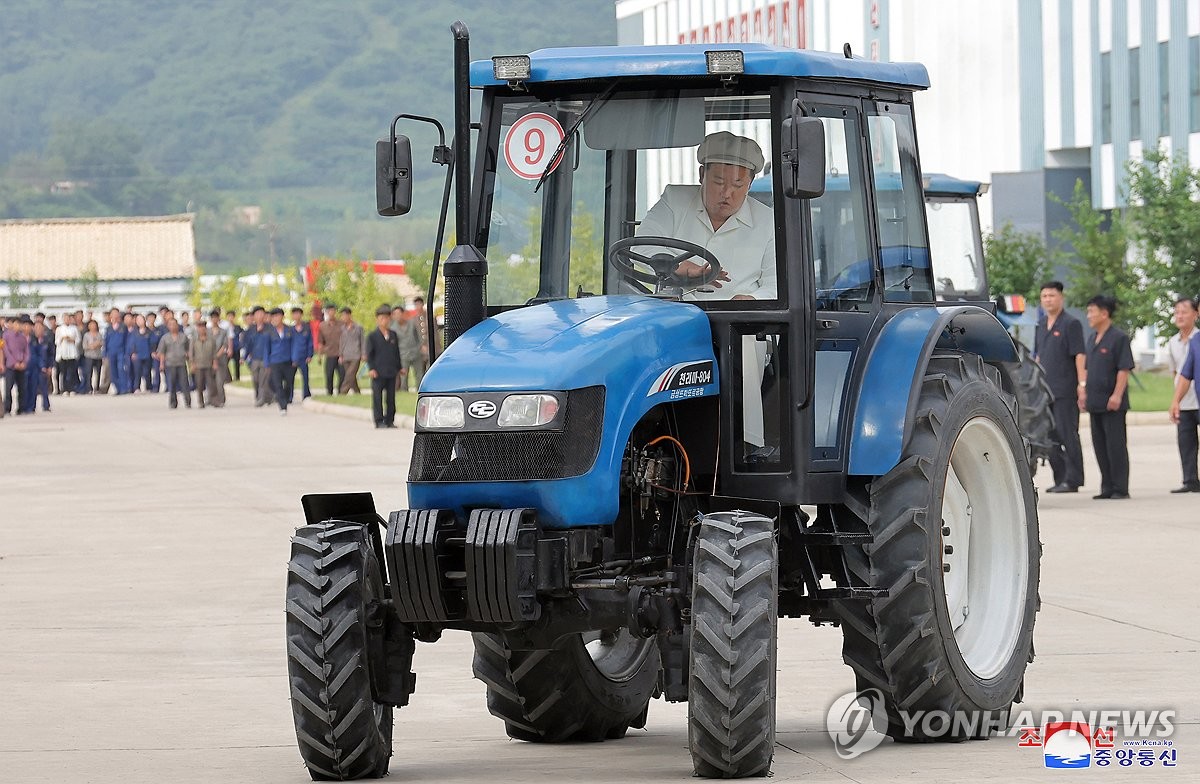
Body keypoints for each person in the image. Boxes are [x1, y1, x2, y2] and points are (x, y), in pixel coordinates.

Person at [636, 131, 774, 450]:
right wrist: (682, 270)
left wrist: (749, 301)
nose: (726, 193)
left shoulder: (768, 222)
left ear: (750, 184)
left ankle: (743, 446)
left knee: (744, 345)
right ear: (701, 175)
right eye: (718, 181)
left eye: (738, 185)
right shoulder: (675, 200)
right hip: (676, 318)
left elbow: (777, 282)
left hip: (736, 328)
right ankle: (651, 441)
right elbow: (645, 248)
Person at [1034, 281, 1087, 493]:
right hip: (1045, 391)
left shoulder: (1071, 324)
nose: (1048, 299)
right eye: (1044, 296)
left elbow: (1079, 355)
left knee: (1068, 434)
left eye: (1052, 296)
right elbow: (1037, 356)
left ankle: (1074, 479)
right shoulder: (1041, 324)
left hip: (1065, 389)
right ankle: (1060, 477)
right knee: (1049, 437)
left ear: (1061, 298)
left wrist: (1082, 385)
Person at [1084, 295, 1134, 500]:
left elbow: (1124, 369)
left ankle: (1120, 488)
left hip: (1113, 403)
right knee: (1100, 446)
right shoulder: (1092, 338)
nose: (1089, 316)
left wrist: (1117, 395)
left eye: (1092, 311)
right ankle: (1107, 486)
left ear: (1104, 313)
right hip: (1095, 402)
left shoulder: (1118, 338)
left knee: (1115, 446)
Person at [1165, 297, 1200, 493]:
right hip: (1184, 401)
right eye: (1176, 312)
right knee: (1186, 442)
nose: (1180, 316)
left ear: (1195, 314)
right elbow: (1177, 373)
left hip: (1198, 398)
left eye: (1184, 311)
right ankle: (1190, 480)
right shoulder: (1172, 342)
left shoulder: (1198, 338)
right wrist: (1175, 399)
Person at [366, 305, 402, 428]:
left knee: (391, 397)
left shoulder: (393, 335)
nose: (385, 321)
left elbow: (396, 352)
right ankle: (379, 420)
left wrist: (400, 367)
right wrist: (371, 368)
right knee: (377, 397)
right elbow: (369, 355)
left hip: (391, 370)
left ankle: (389, 420)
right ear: (377, 319)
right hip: (378, 371)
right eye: (382, 318)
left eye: (387, 318)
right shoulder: (372, 336)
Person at [266, 307, 303, 415]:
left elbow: (295, 345)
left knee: (289, 383)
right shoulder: (270, 332)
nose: (275, 318)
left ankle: (285, 398)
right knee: (277, 384)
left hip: (288, 361)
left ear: (282, 317)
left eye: (277, 316)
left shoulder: (290, 330)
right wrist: (267, 362)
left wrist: (295, 358)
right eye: (273, 316)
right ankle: (282, 406)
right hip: (275, 361)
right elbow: (267, 348)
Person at [158, 318, 191, 409]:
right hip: (170, 364)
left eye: (174, 324)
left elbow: (188, 349)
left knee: (184, 383)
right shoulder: (165, 338)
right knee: (171, 384)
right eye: (170, 324)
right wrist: (161, 364)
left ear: (177, 325)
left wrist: (190, 362)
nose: (173, 326)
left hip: (181, 363)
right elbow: (162, 352)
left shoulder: (183, 337)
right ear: (168, 326)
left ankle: (188, 402)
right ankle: (173, 403)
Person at [3, 315, 30, 415]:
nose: (18, 326)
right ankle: (7, 408)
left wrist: (24, 362)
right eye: (16, 324)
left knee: (22, 388)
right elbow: (6, 351)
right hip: (11, 366)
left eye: (20, 324)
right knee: (8, 388)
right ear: (12, 325)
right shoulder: (6, 336)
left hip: (21, 366)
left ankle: (21, 408)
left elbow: (27, 351)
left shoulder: (23, 337)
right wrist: (14, 363)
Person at [188, 321, 219, 409]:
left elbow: (214, 352)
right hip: (198, 365)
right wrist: (192, 364)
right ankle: (201, 402)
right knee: (199, 385)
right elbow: (191, 353)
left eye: (203, 327)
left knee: (211, 384)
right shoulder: (194, 340)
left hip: (209, 364)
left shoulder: (211, 339)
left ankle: (214, 400)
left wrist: (215, 362)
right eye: (199, 327)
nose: (201, 329)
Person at [317, 304, 344, 395]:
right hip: (329, 354)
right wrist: (320, 356)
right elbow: (320, 342)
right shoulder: (322, 326)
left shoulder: (341, 324)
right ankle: (329, 393)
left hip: (341, 354)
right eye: (329, 311)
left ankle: (340, 392)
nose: (331, 313)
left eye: (333, 311)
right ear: (326, 313)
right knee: (329, 375)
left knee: (342, 374)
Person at [391, 305, 419, 391]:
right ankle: (404, 391)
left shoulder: (412, 323)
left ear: (403, 314)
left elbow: (418, 337)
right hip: (402, 354)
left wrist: (420, 347)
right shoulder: (393, 328)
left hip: (416, 352)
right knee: (403, 376)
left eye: (399, 314)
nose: (398, 316)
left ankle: (420, 391)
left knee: (419, 374)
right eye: (395, 314)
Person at [337, 307, 364, 395]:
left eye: (344, 315)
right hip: (345, 355)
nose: (343, 318)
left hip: (355, 355)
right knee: (351, 376)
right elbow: (341, 342)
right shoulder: (342, 328)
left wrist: (363, 353)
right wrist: (340, 355)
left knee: (349, 374)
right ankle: (357, 392)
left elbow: (363, 341)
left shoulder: (358, 327)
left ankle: (342, 392)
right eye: (342, 316)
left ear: (349, 315)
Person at [27, 320, 52, 413]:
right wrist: (41, 365)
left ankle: (46, 405)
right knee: (32, 388)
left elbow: (51, 354)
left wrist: (50, 366)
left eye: (40, 328)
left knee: (44, 387)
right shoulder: (31, 340)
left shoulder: (47, 340)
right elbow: (34, 355)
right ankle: (31, 407)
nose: (38, 330)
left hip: (44, 367)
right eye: (36, 328)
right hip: (34, 367)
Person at [407, 297, 433, 386]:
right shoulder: (413, 320)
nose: (418, 307)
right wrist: (420, 346)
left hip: (431, 348)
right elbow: (413, 336)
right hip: (419, 350)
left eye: (419, 304)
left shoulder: (430, 317)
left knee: (430, 369)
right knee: (419, 371)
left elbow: (435, 333)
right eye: (416, 305)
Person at [54, 313, 80, 396]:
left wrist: (72, 340)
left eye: (68, 318)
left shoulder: (74, 328)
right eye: (65, 318)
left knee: (72, 372)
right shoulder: (59, 329)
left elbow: (78, 339)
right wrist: (62, 338)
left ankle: (72, 388)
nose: (67, 320)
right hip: (63, 353)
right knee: (63, 372)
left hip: (72, 352)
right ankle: (64, 389)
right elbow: (56, 341)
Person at [291, 307, 314, 401]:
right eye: (294, 314)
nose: (296, 316)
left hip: (304, 357)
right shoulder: (290, 330)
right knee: (290, 378)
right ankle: (289, 396)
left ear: (301, 315)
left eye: (298, 314)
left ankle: (306, 394)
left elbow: (310, 343)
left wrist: (309, 355)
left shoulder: (306, 328)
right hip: (293, 357)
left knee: (305, 378)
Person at [127, 314, 152, 392]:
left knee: (147, 372)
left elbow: (152, 342)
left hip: (147, 354)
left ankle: (148, 387)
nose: (140, 322)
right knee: (137, 372)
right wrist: (132, 352)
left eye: (141, 320)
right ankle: (137, 387)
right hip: (137, 355)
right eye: (138, 320)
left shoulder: (149, 331)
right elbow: (131, 343)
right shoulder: (134, 332)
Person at [81, 320, 104, 393]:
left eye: (94, 325)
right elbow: (84, 346)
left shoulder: (99, 334)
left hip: (98, 356)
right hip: (89, 356)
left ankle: (97, 388)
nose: (93, 326)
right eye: (91, 325)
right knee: (89, 373)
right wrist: (91, 346)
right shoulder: (86, 335)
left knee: (98, 372)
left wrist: (98, 344)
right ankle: (89, 388)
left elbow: (102, 343)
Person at [225, 309, 243, 381]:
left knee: (237, 364)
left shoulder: (238, 327)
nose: (230, 318)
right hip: (228, 348)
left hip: (236, 347)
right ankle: (228, 378)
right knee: (225, 363)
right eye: (229, 316)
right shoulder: (225, 327)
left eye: (231, 316)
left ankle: (237, 378)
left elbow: (242, 336)